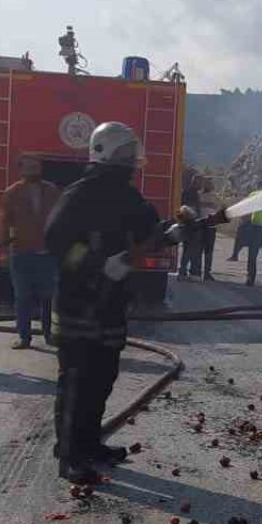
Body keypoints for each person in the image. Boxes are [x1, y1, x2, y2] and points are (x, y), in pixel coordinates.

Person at [45, 122, 226, 483]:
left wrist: (177, 231)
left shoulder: (127, 195)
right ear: (105, 154)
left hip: (111, 304)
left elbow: (149, 232)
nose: (131, 161)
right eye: (125, 154)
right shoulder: (79, 195)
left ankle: (89, 443)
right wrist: (99, 264)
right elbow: (56, 240)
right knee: (77, 382)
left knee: (103, 378)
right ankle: (68, 455)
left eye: (132, 154)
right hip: (79, 304)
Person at [0, 155, 61, 349]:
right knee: (22, 296)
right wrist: (3, 249)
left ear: (41, 168)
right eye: (29, 167)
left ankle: (49, 334)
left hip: (47, 253)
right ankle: (24, 337)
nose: (33, 170)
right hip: (21, 253)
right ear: (21, 170)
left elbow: (62, 218)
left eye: (36, 166)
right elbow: (4, 221)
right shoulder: (12, 193)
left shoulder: (52, 191)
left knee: (48, 296)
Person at [197, 176, 223, 281]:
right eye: (210, 183)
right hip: (207, 227)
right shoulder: (213, 197)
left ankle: (201, 271)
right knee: (206, 250)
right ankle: (204, 272)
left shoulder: (200, 196)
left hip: (205, 226)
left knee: (203, 250)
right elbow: (221, 207)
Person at [177, 175, 203, 280]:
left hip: (186, 225)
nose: (201, 185)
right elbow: (192, 210)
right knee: (191, 250)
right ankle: (186, 273)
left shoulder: (186, 192)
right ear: (195, 182)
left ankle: (185, 272)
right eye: (200, 182)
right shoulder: (192, 193)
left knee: (187, 249)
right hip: (192, 226)